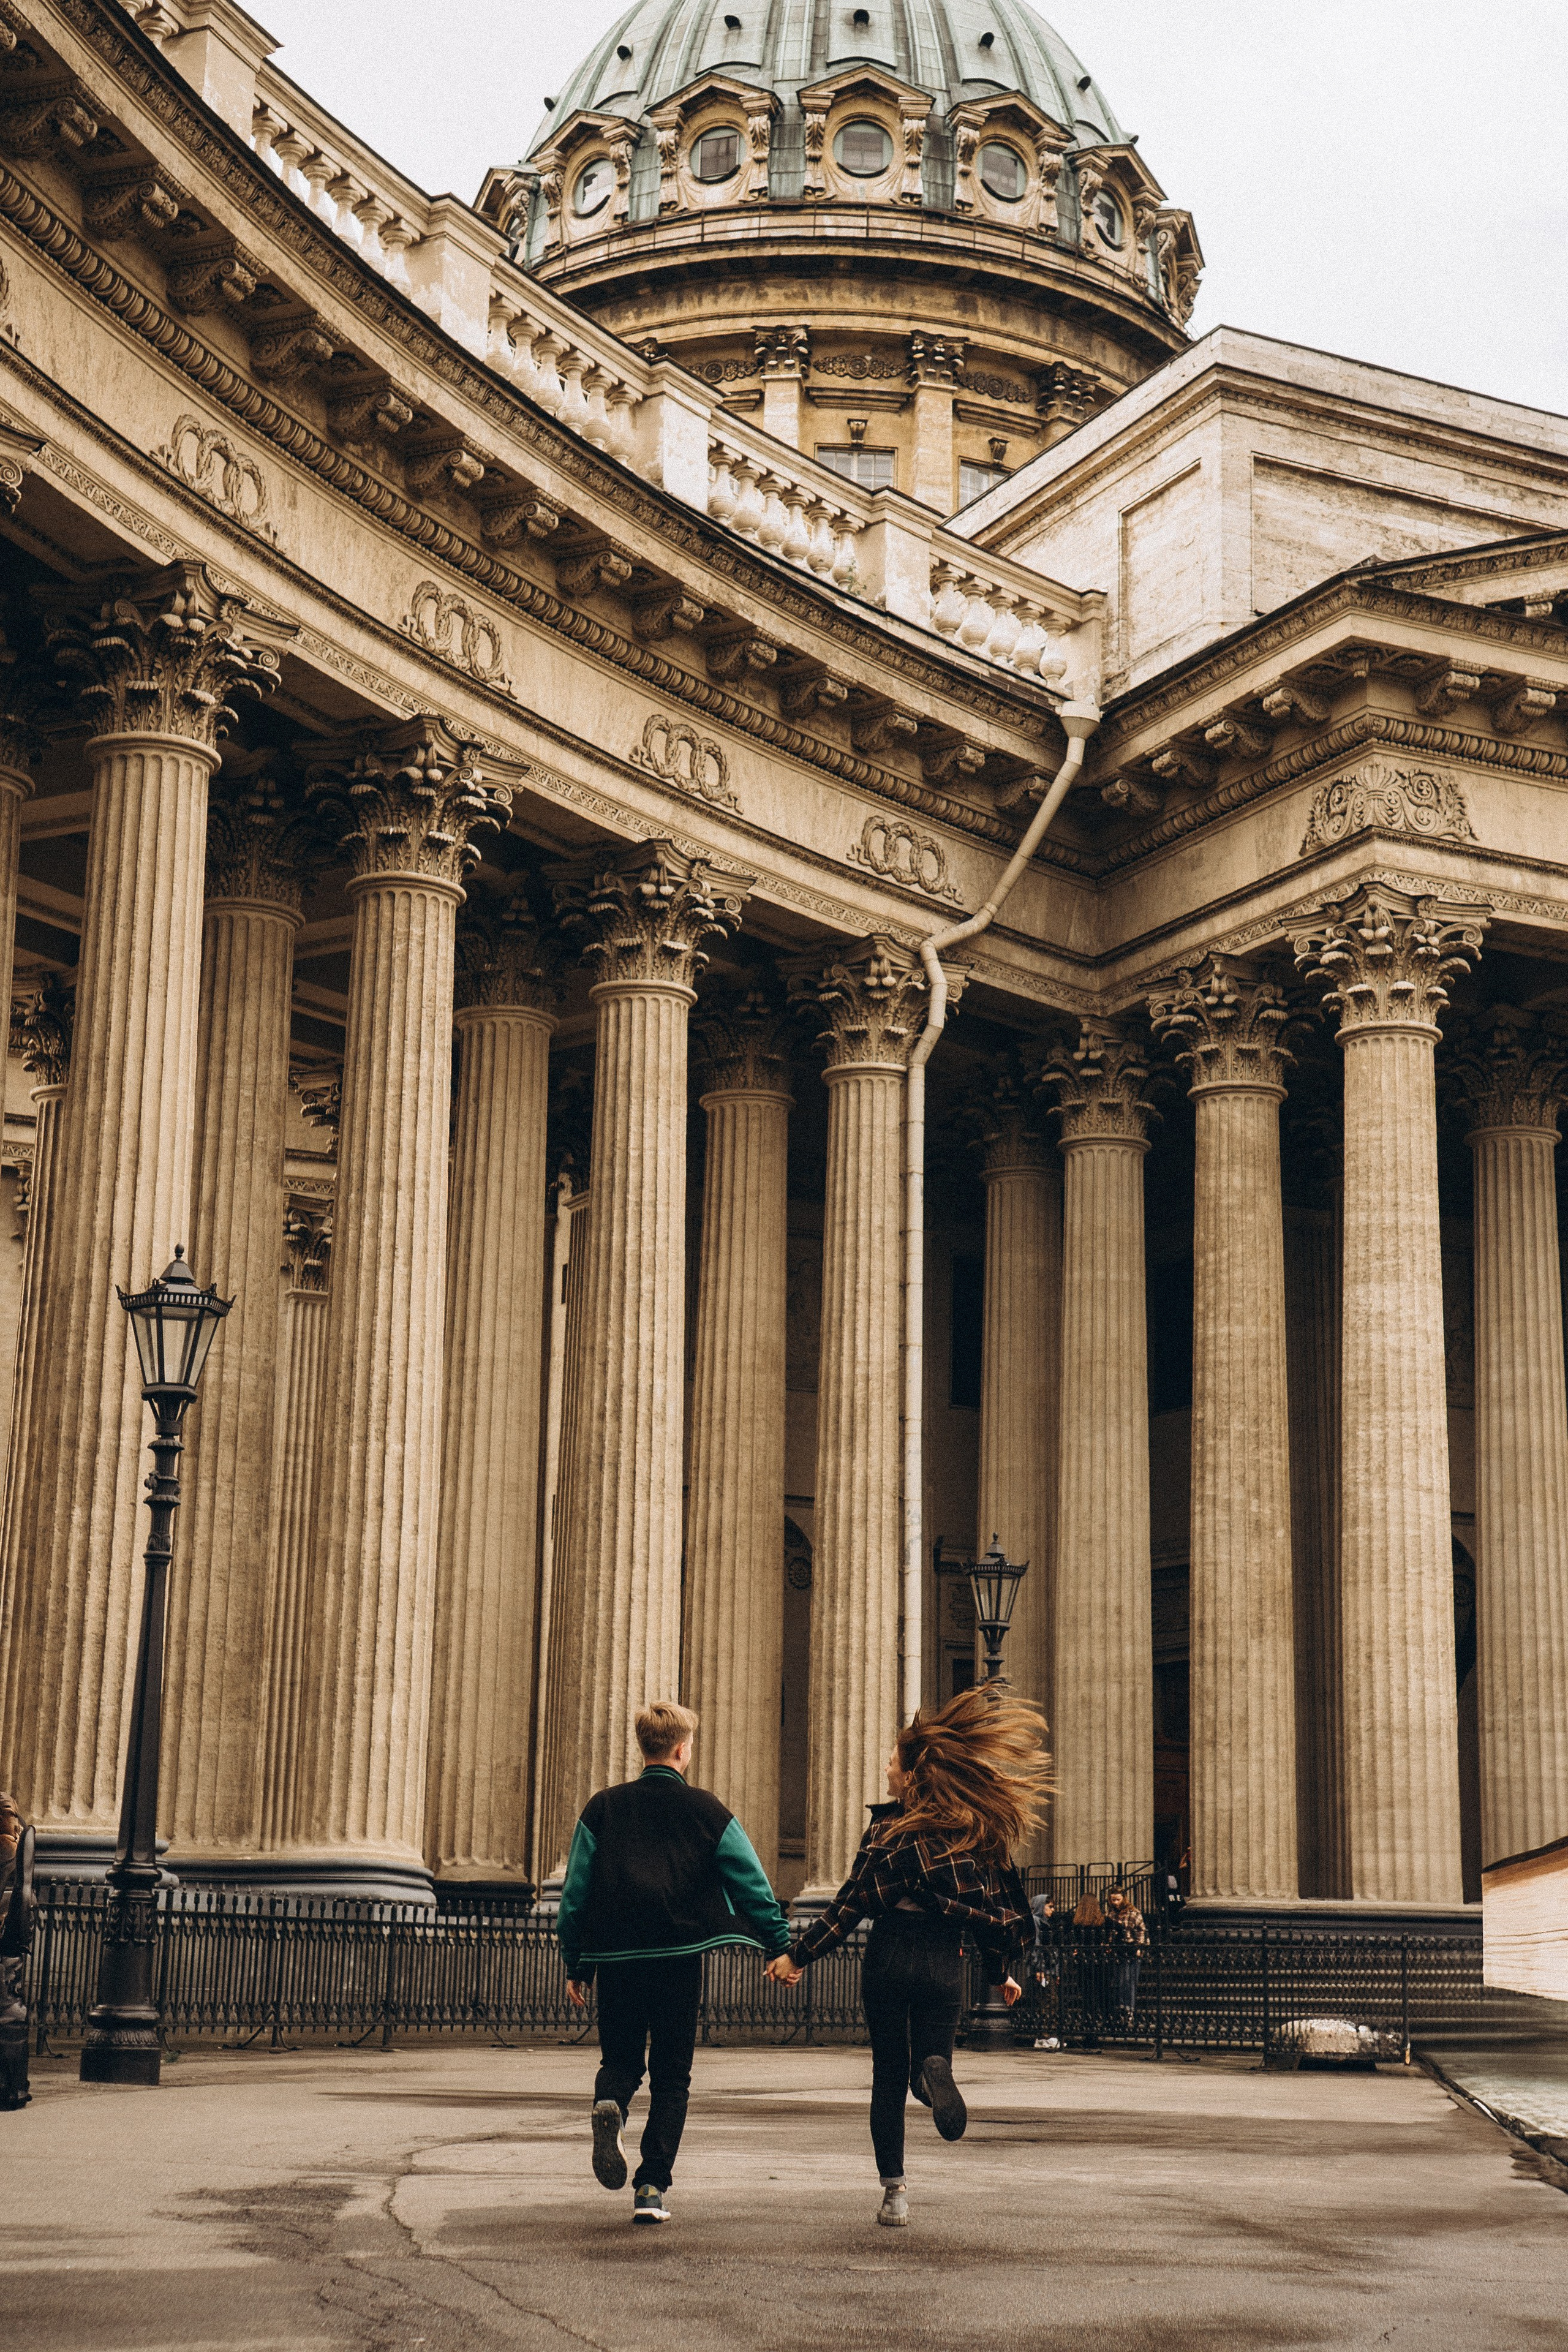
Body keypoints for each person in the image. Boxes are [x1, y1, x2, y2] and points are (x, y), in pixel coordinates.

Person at [767, 1685, 1046, 2230]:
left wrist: (796, 1956)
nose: (887, 1770)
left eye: (893, 1763)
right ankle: (935, 2071)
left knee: (887, 2079)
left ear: (914, 1775)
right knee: (928, 2061)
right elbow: (991, 1912)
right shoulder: (971, 1833)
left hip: (890, 1958)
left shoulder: (887, 1832)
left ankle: (894, 2194)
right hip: (945, 1962)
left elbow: (847, 1907)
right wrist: (999, 1975)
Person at [557, 1700, 791, 2225]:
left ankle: (611, 2107)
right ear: (683, 1750)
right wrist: (780, 1943)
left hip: (615, 1958)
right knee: (672, 2076)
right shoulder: (707, 1810)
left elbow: (575, 1894)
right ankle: (650, 2189)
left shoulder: (603, 1808)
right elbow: (750, 1881)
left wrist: (577, 1962)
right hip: (677, 1960)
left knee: (618, 2061)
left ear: (644, 1749)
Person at [1104, 1888, 1148, 2027]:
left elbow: (1142, 1931)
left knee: (1128, 1983)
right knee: (1116, 1984)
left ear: (1124, 1898)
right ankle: (1119, 2013)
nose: (1115, 1903)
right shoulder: (1110, 1914)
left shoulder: (1134, 1913)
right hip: (1116, 1952)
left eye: (1118, 1899)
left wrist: (1140, 1948)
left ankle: (1129, 2014)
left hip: (1131, 1951)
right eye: (1113, 1900)